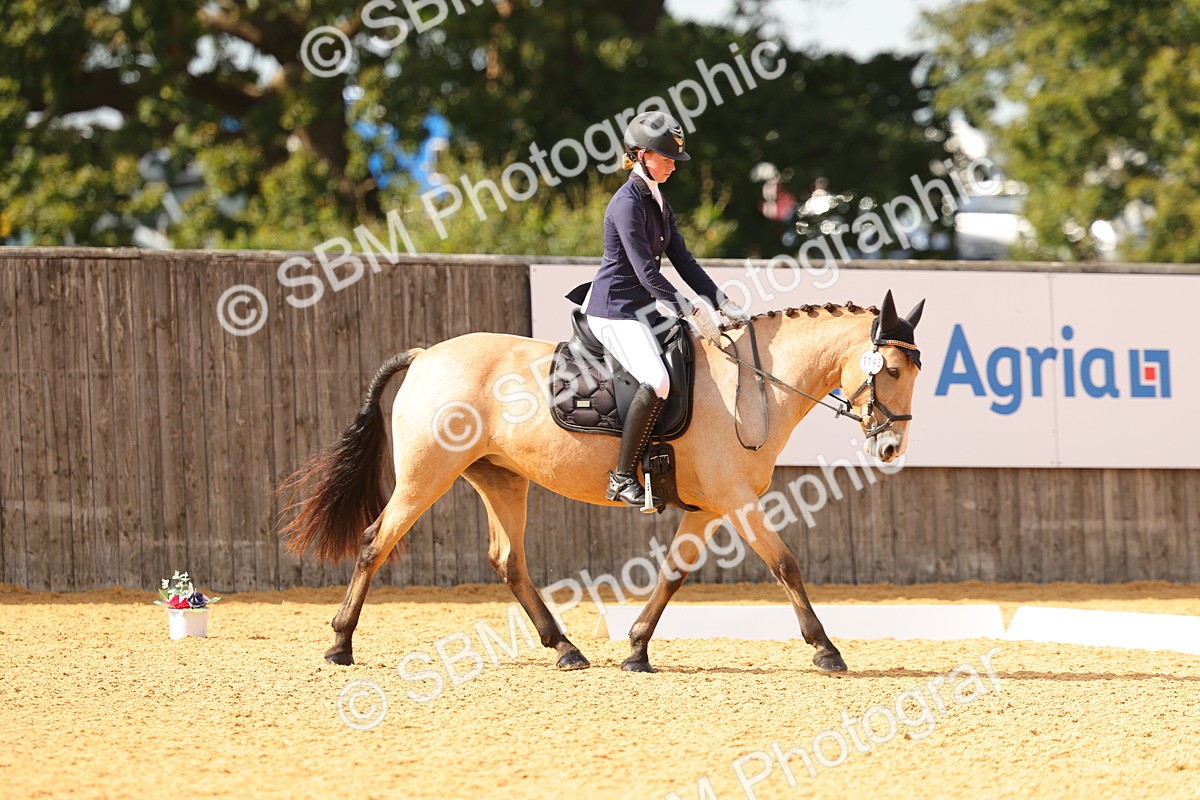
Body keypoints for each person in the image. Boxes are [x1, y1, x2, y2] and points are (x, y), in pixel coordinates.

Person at [571, 111, 748, 511]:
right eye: (665, 158)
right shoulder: (626, 204)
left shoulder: (657, 198)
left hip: (640, 306)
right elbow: (646, 271)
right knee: (658, 379)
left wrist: (720, 300)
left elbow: (682, 259)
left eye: (673, 159)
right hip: (614, 309)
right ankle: (620, 478)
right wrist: (687, 308)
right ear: (639, 154)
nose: (672, 165)